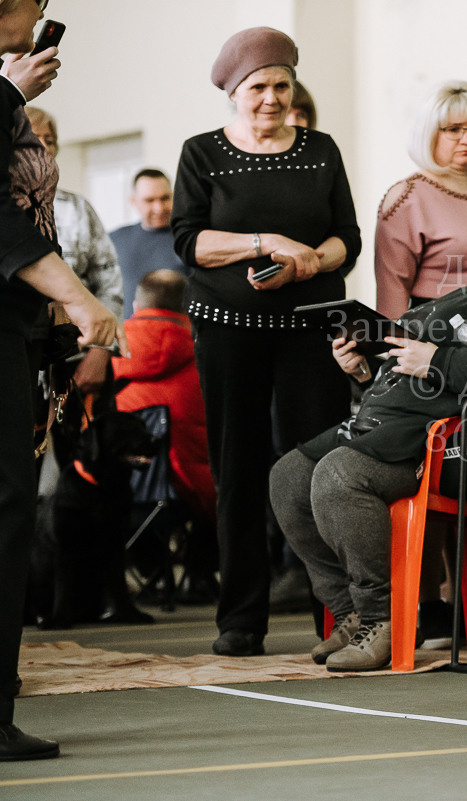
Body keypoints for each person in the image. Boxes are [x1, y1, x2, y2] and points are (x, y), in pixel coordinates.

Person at [270, 187, 467, 671]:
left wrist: (435, 359)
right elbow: (405, 378)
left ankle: (380, 619)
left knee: (339, 476)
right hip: (382, 426)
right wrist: (363, 369)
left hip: (450, 444)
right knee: (287, 477)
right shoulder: (456, 296)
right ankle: (347, 611)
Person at [172, 27, 362, 657]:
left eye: (282, 85)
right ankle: (241, 619)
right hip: (228, 332)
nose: (272, 98)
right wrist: (267, 243)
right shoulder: (202, 153)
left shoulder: (320, 150)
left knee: (321, 468)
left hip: (310, 330)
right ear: (234, 91)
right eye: (258, 87)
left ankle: (338, 617)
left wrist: (308, 263)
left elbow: (346, 239)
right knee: (239, 469)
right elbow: (190, 241)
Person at [1, 0, 124, 761]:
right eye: (35, 0)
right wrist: (78, 299)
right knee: (6, 506)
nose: (43, 13)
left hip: (16, 326)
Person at [111, 270, 218, 600]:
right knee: (228, 485)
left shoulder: (106, 352)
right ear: (187, 308)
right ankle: (198, 575)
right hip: (189, 493)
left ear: (136, 305)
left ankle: (151, 572)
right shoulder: (209, 354)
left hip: (122, 491)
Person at [374, 80, 467, 319]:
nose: (466, 139)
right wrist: (396, 338)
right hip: (434, 325)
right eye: (453, 129)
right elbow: (392, 291)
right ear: (429, 133)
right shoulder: (407, 197)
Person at [26, 106, 122, 394]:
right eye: (34, 137)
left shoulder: (77, 208)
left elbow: (109, 282)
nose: (44, 146)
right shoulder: (9, 209)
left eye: (50, 139)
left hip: (76, 362)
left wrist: (101, 349)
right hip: (18, 356)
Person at [109, 168, 187, 320]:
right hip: (126, 332)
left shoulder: (188, 239)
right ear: (134, 201)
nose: (159, 208)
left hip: (178, 331)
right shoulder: (114, 240)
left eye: (165, 198)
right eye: (149, 200)